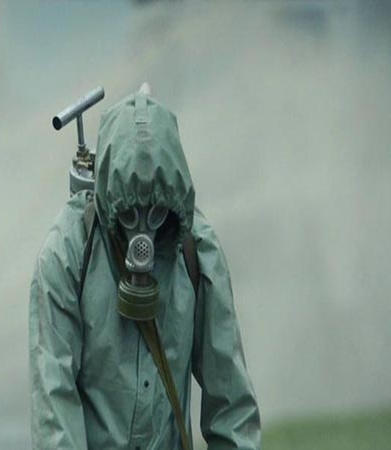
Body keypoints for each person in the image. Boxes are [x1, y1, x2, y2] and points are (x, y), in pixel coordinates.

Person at [29, 89, 260, 449]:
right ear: (107, 199)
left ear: (175, 203)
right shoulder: (68, 254)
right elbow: (54, 401)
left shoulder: (196, 252)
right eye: (128, 213)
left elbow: (231, 404)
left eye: (155, 213)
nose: (143, 233)